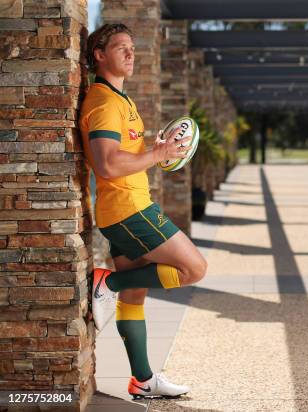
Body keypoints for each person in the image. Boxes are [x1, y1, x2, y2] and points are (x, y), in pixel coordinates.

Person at [79, 23, 207, 399]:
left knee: (135, 297)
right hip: (129, 210)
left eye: (133, 47)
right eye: (121, 47)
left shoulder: (122, 100)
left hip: (125, 208)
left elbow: (123, 156)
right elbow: (105, 164)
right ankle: (108, 284)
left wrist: (155, 150)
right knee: (193, 268)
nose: (131, 53)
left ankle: (143, 379)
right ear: (99, 55)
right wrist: (158, 154)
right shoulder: (104, 104)